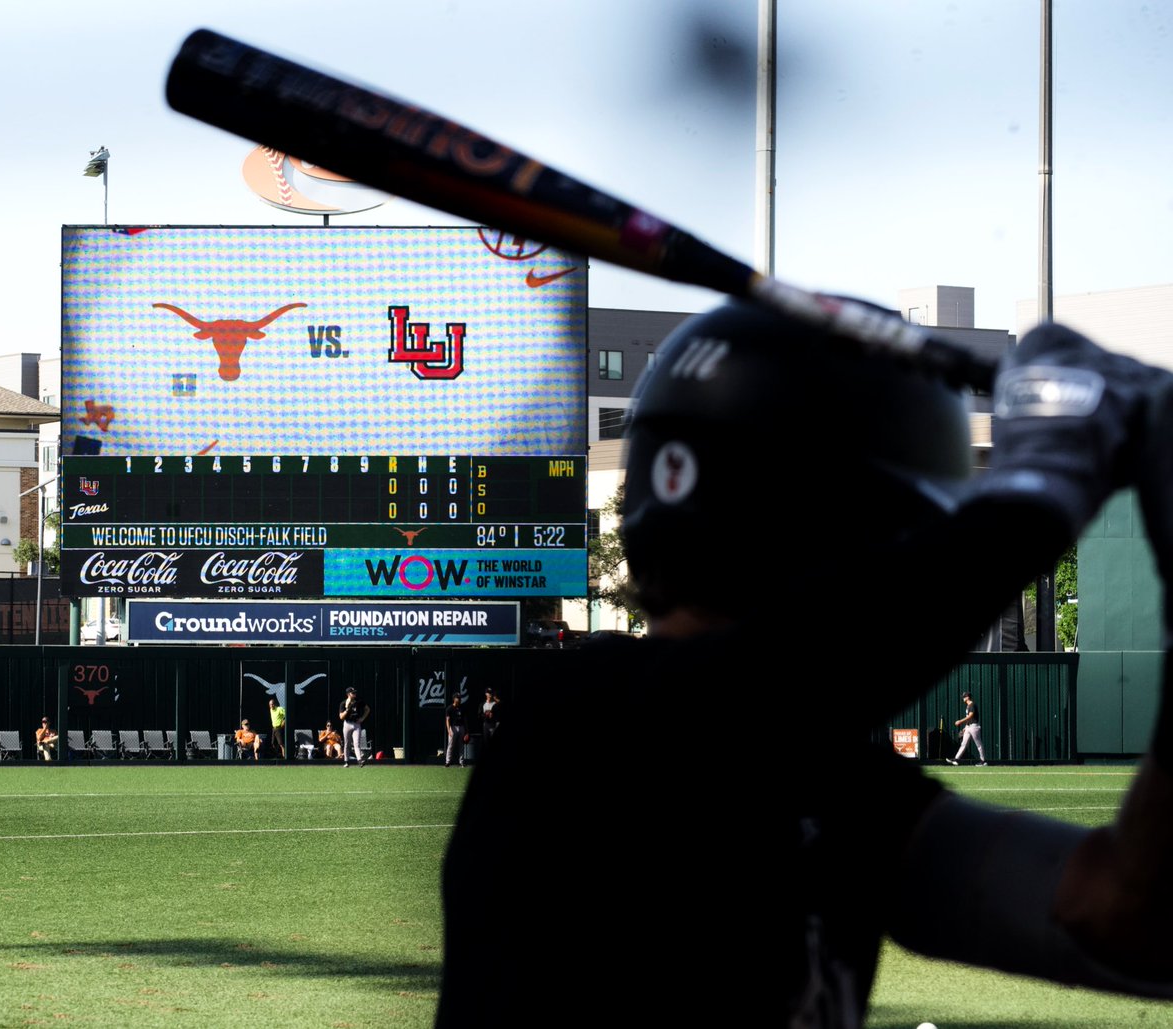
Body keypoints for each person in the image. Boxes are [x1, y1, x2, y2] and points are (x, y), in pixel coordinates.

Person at [435, 296, 1173, 1028]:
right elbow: (782, 683)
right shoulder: (585, 723)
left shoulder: (827, 780)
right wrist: (1041, 484)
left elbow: (1126, 912)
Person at [948, 691, 988, 766]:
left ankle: (983, 761)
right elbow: (969, 719)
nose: (963, 698)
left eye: (964, 696)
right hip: (969, 726)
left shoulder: (972, 705)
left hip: (974, 727)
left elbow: (970, 716)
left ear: (968, 697)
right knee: (963, 744)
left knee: (978, 744)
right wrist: (965, 727)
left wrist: (960, 721)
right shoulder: (968, 706)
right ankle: (956, 759)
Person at [339, 687, 369, 767]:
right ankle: (346, 761)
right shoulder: (343, 703)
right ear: (348, 694)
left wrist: (362, 718)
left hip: (356, 724)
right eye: (353, 693)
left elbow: (367, 709)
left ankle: (359, 761)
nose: (355, 694)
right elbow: (341, 717)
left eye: (355, 692)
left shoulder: (358, 701)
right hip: (347, 724)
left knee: (357, 743)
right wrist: (347, 709)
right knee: (347, 744)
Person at [444, 693, 468, 768]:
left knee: (461, 745)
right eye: (458, 698)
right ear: (454, 699)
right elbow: (447, 720)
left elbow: (465, 720)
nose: (459, 699)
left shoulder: (462, 708)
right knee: (450, 745)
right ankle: (447, 762)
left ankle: (461, 762)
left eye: (460, 698)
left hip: (461, 727)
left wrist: (467, 731)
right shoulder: (449, 708)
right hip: (453, 727)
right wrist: (449, 730)